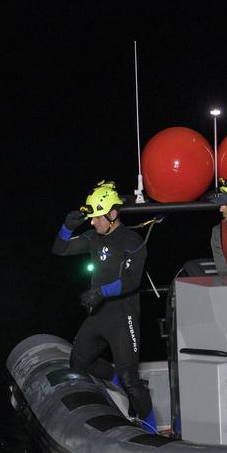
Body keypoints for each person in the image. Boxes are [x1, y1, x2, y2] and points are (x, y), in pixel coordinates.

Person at [53, 181, 157, 433]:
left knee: (131, 380)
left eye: (97, 217)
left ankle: (153, 429)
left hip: (123, 316)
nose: (92, 222)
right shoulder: (92, 237)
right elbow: (60, 249)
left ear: (113, 214)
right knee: (78, 362)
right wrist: (68, 226)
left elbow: (132, 281)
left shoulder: (132, 241)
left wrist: (102, 291)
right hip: (98, 314)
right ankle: (115, 378)